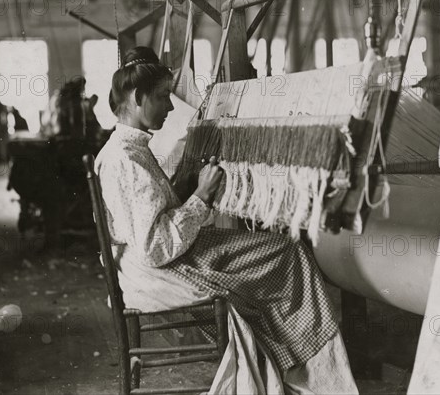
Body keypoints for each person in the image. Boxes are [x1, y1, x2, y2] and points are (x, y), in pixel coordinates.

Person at [96, 46, 359, 394]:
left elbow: (150, 213)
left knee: (280, 253)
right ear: (138, 97)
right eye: (163, 98)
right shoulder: (126, 160)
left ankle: (297, 361)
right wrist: (201, 197)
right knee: (290, 253)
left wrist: (187, 188)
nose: (171, 106)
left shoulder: (126, 149)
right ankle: (314, 375)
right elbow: (155, 247)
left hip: (155, 258)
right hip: (163, 266)